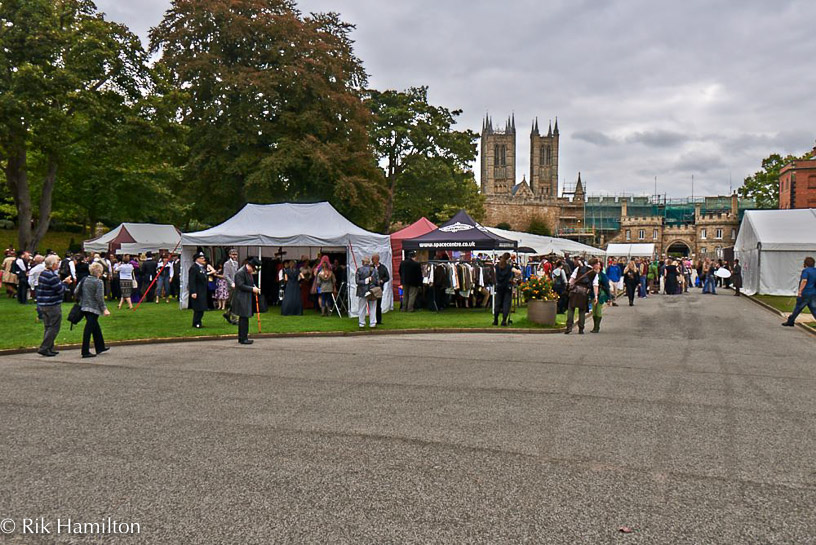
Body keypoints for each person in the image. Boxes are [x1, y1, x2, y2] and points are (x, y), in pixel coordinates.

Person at [36, 255, 72, 356]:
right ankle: (44, 347)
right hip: (52, 304)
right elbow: (60, 290)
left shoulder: (44, 273)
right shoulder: (52, 276)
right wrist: (67, 283)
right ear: (53, 264)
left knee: (48, 326)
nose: (58, 265)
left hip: (43, 304)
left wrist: (62, 282)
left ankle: (49, 347)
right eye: (57, 263)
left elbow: (54, 286)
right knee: (54, 327)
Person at [78, 262, 110, 358]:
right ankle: (85, 351)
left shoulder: (84, 280)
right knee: (89, 328)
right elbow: (99, 297)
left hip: (84, 306)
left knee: (95, 326)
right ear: (99, 272)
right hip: (93, 308)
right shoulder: (98, 282)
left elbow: (76, 291)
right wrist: (104, 309)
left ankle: (100, 346)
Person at [565, 257, 600, 335]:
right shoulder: (594, 273)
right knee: (582, 310)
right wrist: (596, 297)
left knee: (571, 308)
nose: (598, 265)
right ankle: (581, 328)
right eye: (597, 264)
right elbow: (595, 285)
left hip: (574, 290)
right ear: (594, 265)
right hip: (584, 292)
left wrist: (569, 287)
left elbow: (572, 279)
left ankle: (569, 327)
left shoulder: (579, 268)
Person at [233, 257, 262, 344]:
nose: (253, 271)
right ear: (250, 266)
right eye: (253, 269)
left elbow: (249, 283)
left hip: (246, 298)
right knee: (243, 318)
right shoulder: (240, 273)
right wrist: (252, 289)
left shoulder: (248, 272)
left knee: (245, 318)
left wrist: (254, 287)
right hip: (241, 298)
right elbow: (240, 285)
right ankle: (242, 338)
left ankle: (244, 336)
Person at [782, 257, 816, 327]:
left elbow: (804, 280)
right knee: (814, 308)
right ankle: (790, 320)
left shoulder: (806, 271)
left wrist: (800, 291)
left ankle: (790, 321)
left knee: (798, 307)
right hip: (813, 292)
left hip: (805, 292)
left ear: (805, 263)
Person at [356, 256, 379, 328]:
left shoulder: (359, 270)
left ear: (363, 262)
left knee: (362, 307)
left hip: (362, 291)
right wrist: (371, 281)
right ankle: (372, 323)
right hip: (372, 290)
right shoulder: (374, 270)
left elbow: (357, 281)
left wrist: (364, 281)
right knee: (372, 307)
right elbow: (377, 281)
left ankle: (361, 323)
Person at [188, 251, 209, 328]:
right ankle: (196, 322)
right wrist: (193, 291)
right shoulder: (194, 268)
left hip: (202, 290)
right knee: (198, 308)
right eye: (201, 258)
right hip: (197, 290)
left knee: (202, 307)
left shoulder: (202, 267)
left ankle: (198, 321)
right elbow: (192, 281)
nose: (203, 259)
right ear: (197, 259)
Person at [493, 252, 514, 326]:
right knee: (506, 304)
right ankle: (504, 320)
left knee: (497, 303)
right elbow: (517, 272)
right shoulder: (509, 267)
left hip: (499, 286)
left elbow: (495, 275)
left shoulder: (496, 266)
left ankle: (495, 319)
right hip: (507, 287)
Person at [591, 260, 610, 333]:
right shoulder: (592, 274)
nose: (596, 265)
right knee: (594, 311)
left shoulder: (602, 275)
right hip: (593, 294)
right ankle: (595, 326)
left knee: (598, 309)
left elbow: (607, 286)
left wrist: (609, 297)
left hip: (601, 294)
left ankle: (596, 327)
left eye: (598, 264)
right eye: (595, 264)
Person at [222, 249, 240, 323]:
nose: (235, 256)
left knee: (235, 301)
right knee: (233, 301)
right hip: (231, 286)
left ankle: (228, 313)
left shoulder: (236, 263)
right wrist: (231, 283)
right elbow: (225, 275)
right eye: (233, 254)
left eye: (236, 254)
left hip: (237, 285)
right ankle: (234, 318)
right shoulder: (227, 264)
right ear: (229, 255)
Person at [372, 253, 389, 325]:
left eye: (373, 259)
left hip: (379, 288)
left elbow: (387, 277)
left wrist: (382, 280)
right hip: (372, 287)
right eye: (372, 259)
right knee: (372, 304)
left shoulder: (383, 267)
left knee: (378, 304)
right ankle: (372, 319)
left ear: (377, 259)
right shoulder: (370, 267)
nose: (372, 260)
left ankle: (378, 320)